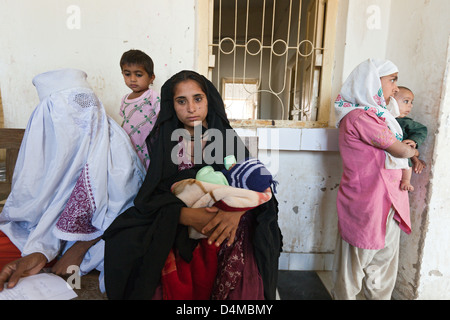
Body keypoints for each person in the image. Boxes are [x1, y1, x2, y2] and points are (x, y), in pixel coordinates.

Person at [103, 70, 282, 300]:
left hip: (227, 223)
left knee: (243, 230)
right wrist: (184, 215)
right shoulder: (168, 142)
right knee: (123, 235)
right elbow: (153, 195)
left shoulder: (225, 138)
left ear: (209, 100)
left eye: (198, 98)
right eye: (181, 101)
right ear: (171, 105)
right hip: (183, 221)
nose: (191, 108)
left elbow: (258, 185)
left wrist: (236, 214)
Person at [0, 69, 146, 292]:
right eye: (74, 106)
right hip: (40, 237)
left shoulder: (115, 147)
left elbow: (128, 209)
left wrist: (76, 249)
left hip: (94, 241)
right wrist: (41, 250)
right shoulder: (44, 146)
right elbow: (33, 211)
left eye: (87, 102)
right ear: (49, 118)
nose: (86, 114)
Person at [332, 59, 419, 300]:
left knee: (383, 261)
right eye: (392, 80)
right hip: (367, 199)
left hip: (390, 197)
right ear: (371, 81)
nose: (395, 87)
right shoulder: (360, 117)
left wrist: (407, 147)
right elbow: (399, 151)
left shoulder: (382, 116)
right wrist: (412, 151)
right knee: (355, 262)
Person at [119, 49, 160, 169]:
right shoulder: (124, 99)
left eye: (138, 75)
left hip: (148, 146)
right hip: (130, 146)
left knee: (149, 171)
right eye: (127, 74)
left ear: (151, 78)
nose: (132, 79)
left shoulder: (152, 95)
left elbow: (161, 118)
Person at [393, 86, 428, 191]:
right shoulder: (382, 119)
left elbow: (421, 130)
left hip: (402, 160)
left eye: (411, 102)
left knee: (407, 166)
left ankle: (406, 181)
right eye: (406, 101)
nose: (410, 106)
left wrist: (414, 141)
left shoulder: (405, 122)